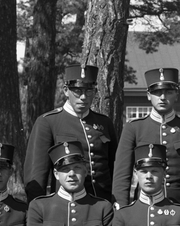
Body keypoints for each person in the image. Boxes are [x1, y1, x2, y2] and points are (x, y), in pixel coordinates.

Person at [114, 67, 180, 208]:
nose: (163, 97)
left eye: (168, 92)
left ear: (176, 94)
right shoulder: (134, 128)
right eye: (157, 92)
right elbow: (122, 175)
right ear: (148, 95)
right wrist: (121, 208)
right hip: (144, 206)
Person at [24, 64, 117, 201]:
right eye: (77, 91)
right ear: (66, 91)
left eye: (89, 91)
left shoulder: (104, 123)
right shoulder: (49, 122)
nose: (83, 97)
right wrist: (38, 210)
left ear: (95, 92)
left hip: (102, 205)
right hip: (66, 205)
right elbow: (36, 174)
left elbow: (114, 168)